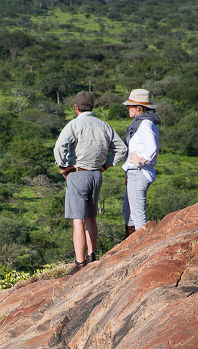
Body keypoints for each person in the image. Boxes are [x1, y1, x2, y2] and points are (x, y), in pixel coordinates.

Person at [54, 90, 127, 273]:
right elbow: (122, 148)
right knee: (91, 218)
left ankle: (79, 264)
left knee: (78, 220)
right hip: (96, 174)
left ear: (76, 107)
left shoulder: (74, 125)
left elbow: (59, 146)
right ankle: (92, 256)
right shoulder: (104, 125)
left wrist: (63, 166)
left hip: (78, 173)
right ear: (93, 107)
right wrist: (106, 165)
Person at [122, 88, 160, 236]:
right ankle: (129, 245)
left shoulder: (145, 124)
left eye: (130, 106)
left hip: (139, 173)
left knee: (138, 216)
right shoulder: (140, 123)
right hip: (134, 173)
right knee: (127, 211)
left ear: (139, 108)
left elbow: (152, 147)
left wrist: (140, 162)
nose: (127, 108)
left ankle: (140, 250)